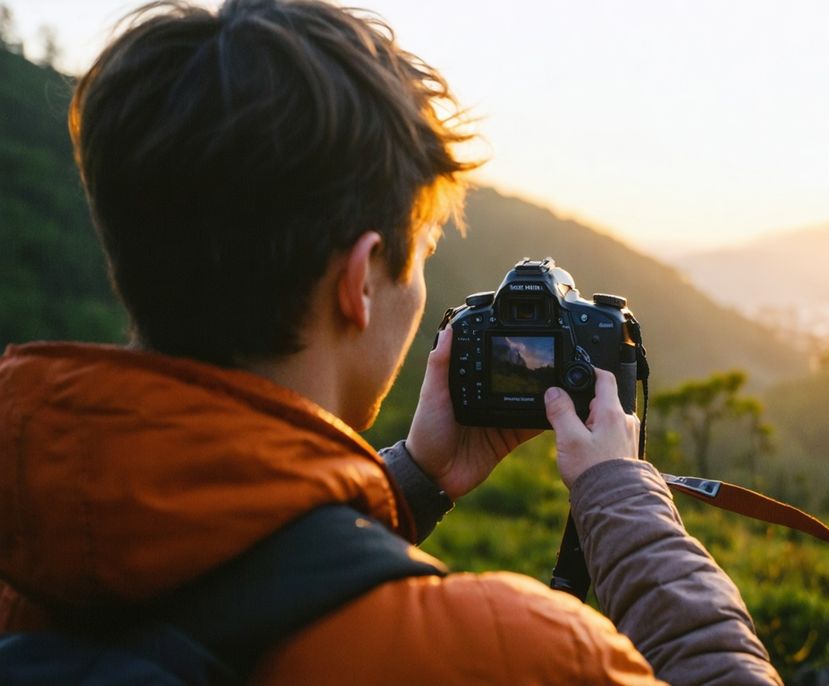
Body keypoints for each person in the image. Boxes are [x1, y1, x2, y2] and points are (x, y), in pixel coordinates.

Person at [0, 1, 782, 683]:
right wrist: (620, 498)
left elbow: (206, 573)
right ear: (362, 279)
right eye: (422, 257)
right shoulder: (513, 656)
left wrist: (415, 477)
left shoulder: (31, 559)